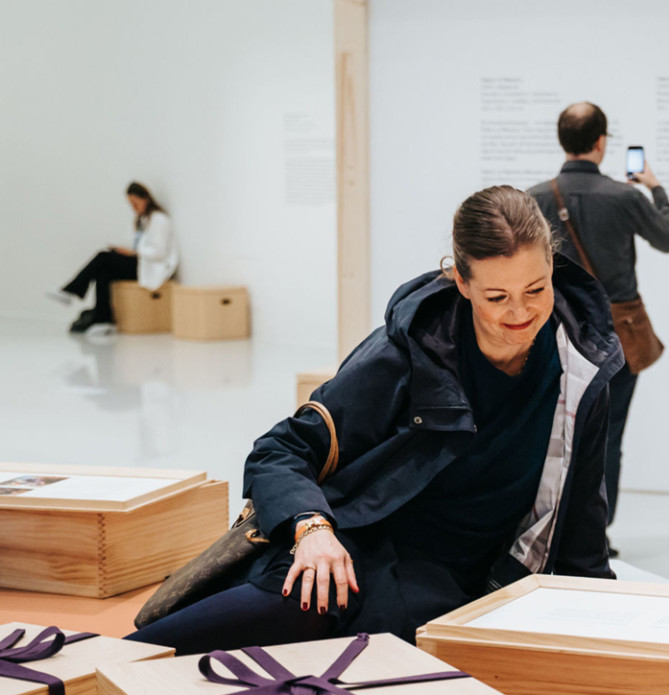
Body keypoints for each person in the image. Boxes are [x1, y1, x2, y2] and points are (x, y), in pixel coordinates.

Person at [130, 186, 621, 653]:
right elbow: (280, 450)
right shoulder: (408, 354)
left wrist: (599, 617)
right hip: (363, 548)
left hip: (477, 582)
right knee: (176, 648)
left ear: (553, 267)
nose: (520, 312)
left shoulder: (581, 366)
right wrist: (312, 529)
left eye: (535, 289)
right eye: (497, 297)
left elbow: (581, 520)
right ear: (461, 281)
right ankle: (85, 674)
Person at [527, 102, 669, 553]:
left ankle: (547, 525)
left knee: (552, 429)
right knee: (608, 434)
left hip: (554, 328)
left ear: (563, 140)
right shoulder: (624, 196)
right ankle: (595, 529)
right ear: (601, 141)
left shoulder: (533, 197)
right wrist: (656, 189)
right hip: (616, 333)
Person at [52, 182, 179, 334]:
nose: (133, 208)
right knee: (103, 272)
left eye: (135, 203)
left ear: (145, 199)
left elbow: (159, 253)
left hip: (151, 267)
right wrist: (122, 250)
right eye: (131, 204)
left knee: (102, 257)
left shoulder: (159, 220)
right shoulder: (142, 221)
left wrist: (134, 252)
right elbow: (135, 245)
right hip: (139, 263)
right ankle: (104, 320)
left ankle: (71, 291)